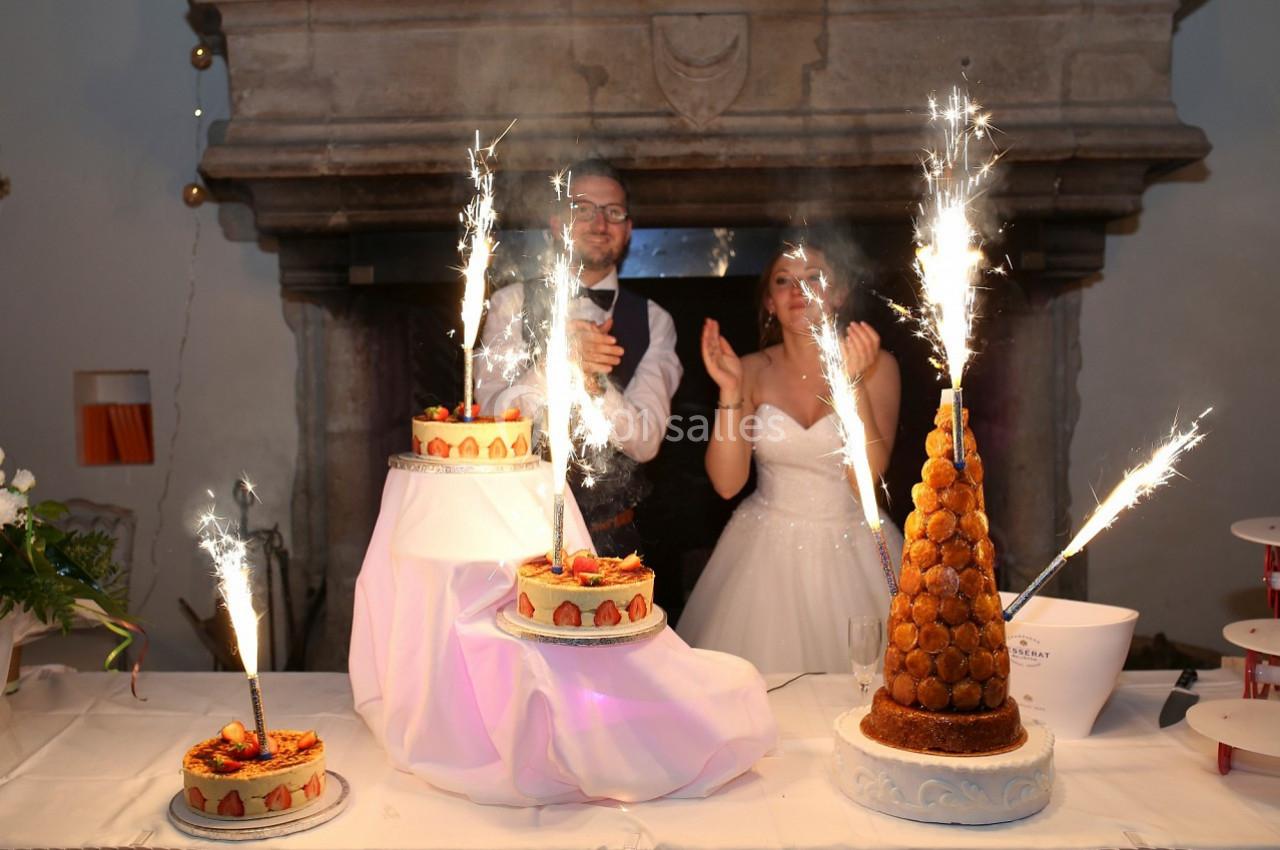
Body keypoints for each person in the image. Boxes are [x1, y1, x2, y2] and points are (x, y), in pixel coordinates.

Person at [676, 244, 902, 673]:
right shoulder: (748, 370)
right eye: (784, 281)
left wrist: (852, 383)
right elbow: (726, 483)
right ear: (769, 301)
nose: (799, 290)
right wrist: (730, 390)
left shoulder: (878, 366)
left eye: (814, 277)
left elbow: (866, 480)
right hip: (763, 553)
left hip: (856, 548)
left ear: (839, 293)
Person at [476, 159, 682, 559]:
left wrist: (594, 382)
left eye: (613, 212)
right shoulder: (510, 303)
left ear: (628, 229)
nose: (599, 223)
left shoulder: (655, 320)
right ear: (557, 224)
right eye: (583, 209)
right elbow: (490, 420)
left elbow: (645, 442)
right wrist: (556, 364)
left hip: (612, 545)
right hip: (517, 534)